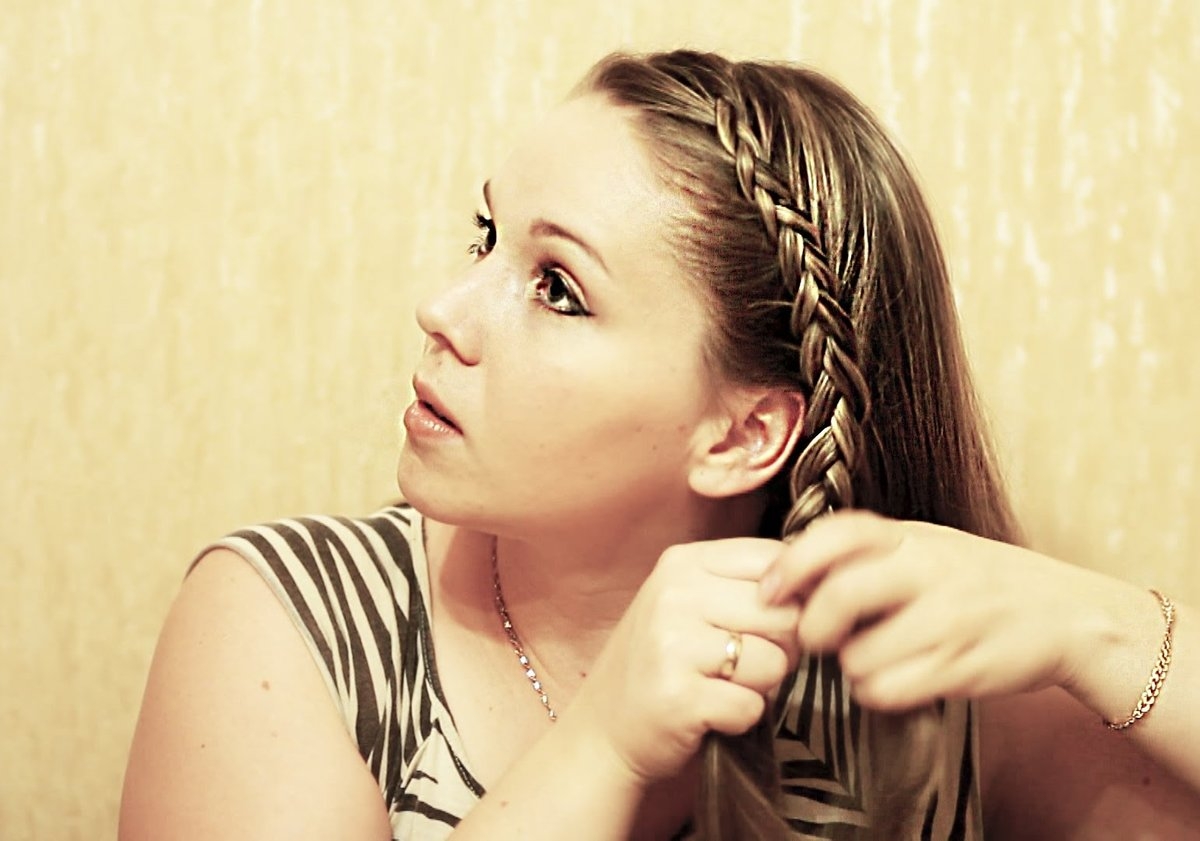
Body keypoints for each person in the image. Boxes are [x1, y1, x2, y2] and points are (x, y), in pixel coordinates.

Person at [119, 49, 1199, 840]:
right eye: (487, 238)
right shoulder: (292, 625)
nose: (443, 309)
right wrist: (603, 748)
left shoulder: (912, 690)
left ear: (743, 434)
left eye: (557, 288)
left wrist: (1100, 628)